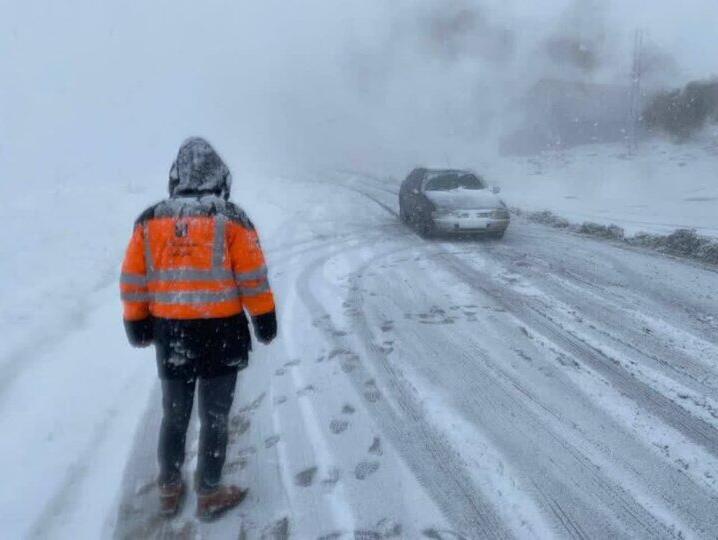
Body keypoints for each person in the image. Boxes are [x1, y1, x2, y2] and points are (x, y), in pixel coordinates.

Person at [119, 137, 277, 520]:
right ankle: (208, 492)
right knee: (215, 417)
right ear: (219, 175)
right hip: (222, 334)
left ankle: (169, 488)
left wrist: (136, 320)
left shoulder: (150, 220)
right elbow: (252, 277)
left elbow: (134, 278)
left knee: (174, 415)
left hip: (172, 334)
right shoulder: (232, 219)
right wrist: (264, 317)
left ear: (177, 176)